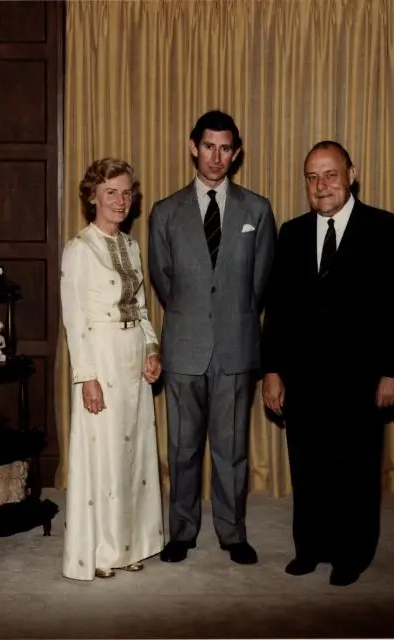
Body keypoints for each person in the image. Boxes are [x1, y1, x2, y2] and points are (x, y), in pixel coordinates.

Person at [262, 141, 394, 587]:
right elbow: (278, 309)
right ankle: (310, 547)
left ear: (352, 173)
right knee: (308, 466)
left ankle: (353, 554)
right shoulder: (290, 233)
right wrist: (272, 370)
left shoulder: (387, 230)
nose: (321, 185)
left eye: (330, 174)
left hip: (362, 378)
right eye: (312, 177)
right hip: (304, 378)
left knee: (356, 468)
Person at [148, 110, 276, 565]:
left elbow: (261, 283)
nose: (216, 157)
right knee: (181, 449)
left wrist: (231, 317)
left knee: (232, 449)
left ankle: (232, 532)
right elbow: (163, 280)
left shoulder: (257, 210)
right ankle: (181, 531)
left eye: (225, 148)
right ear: (193, 147)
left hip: (236, 347)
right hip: (184, 348)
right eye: (208, 146)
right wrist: (193, 315)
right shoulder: (165, 212)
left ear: (235, 153)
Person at [60, 158, 164, 581]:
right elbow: (73, 318)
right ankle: (100, 552)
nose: (120, 201)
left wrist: (151, 349)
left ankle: (129, 545)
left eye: (126, 193)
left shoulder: (131, 246)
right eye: (111, 193)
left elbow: (139, 307)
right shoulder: (79, 249)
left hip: (132, 357)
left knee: (132, 455)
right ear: (92, 197)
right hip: (100, 357)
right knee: (102, 454)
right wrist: (86, 377)